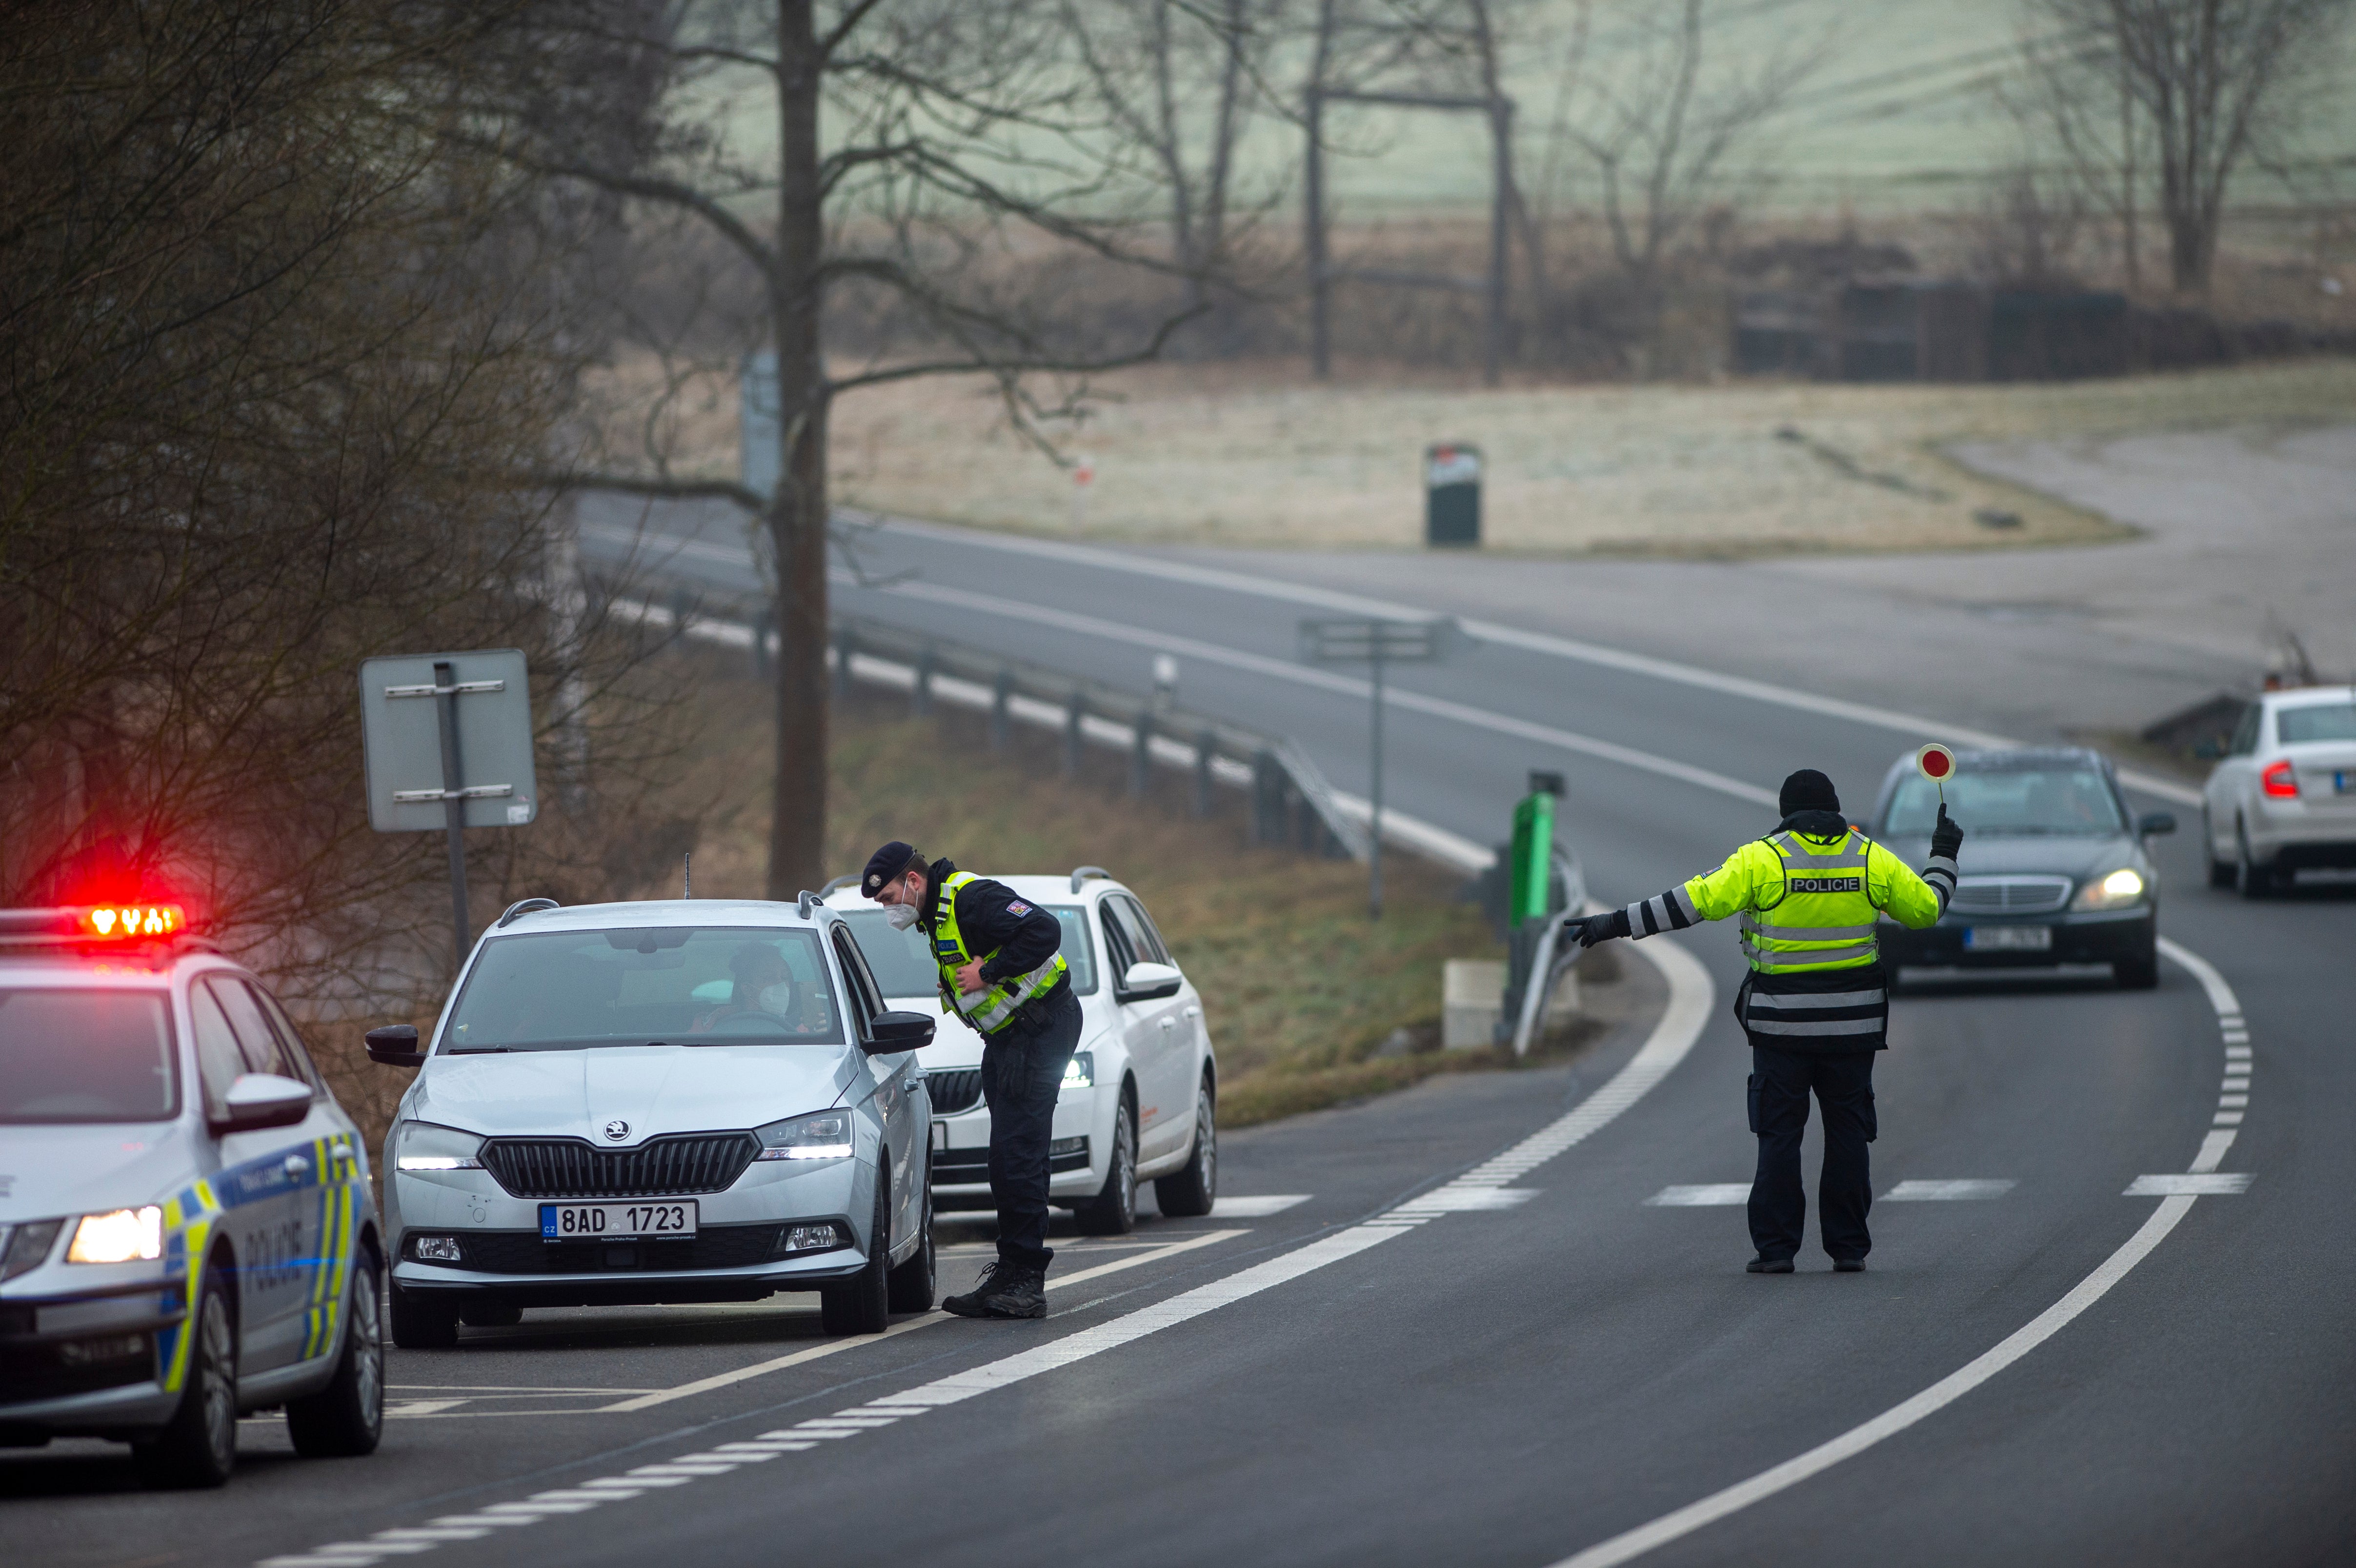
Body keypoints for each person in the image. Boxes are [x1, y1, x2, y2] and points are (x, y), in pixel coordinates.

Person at [1564, 769, 1963, 1274]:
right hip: (1851, 1029)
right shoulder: (1869, 858)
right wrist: (1943, 855)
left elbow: (1689, 903)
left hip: (1781, 1029)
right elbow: (1926, 909)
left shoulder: (1761, 860)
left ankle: (1775, 1251)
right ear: (1835, 809)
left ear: (1785, 814)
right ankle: (1848, 1248)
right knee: (1847, 1134)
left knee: (1779, 1136)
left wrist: (1613, 924)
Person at [863, 840, 1075, 1319]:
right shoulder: (936, 916)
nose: (888, 910)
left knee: (1018, 1155)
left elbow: (1044, 929)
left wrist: (988, 971)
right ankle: (1011, 1272)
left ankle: (1025, 1282)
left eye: (888, 898)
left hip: (1040, 1028)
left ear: (913, 881)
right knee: (1005, 1158)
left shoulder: (973, 899)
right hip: (1008, 1038)